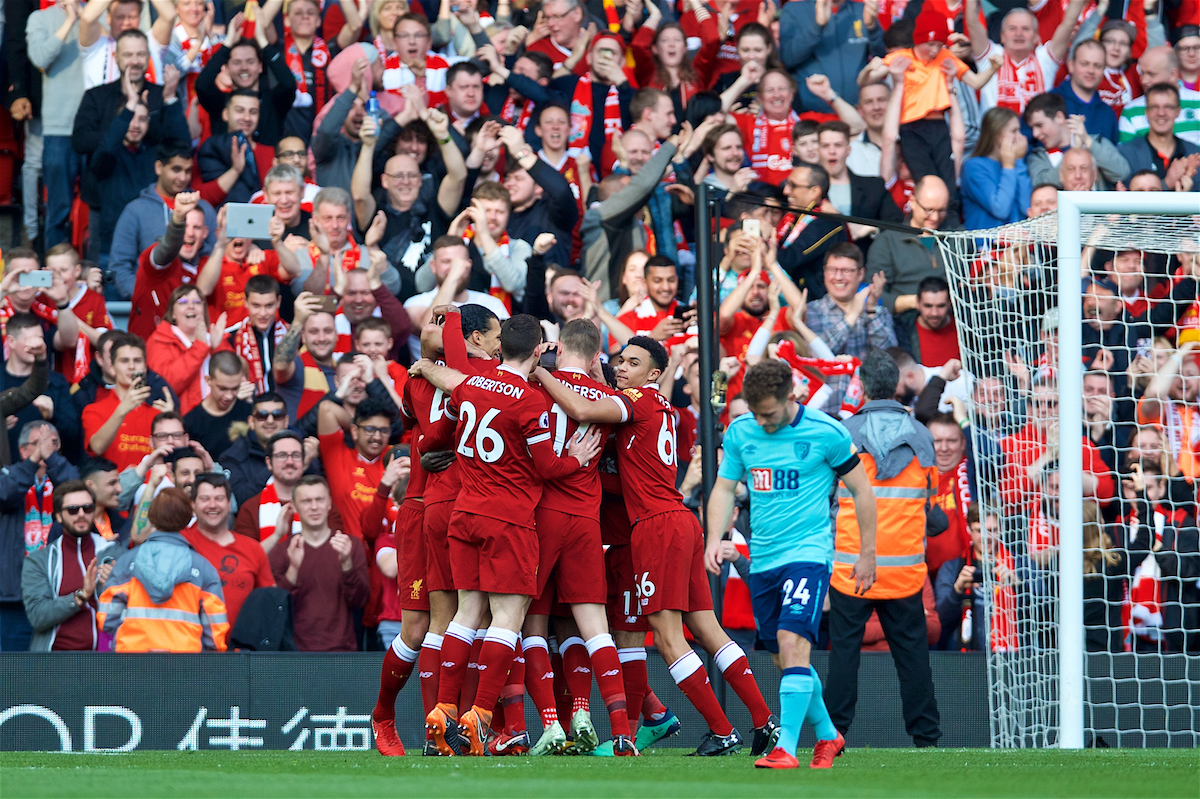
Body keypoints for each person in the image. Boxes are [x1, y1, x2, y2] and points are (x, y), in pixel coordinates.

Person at [535, 335, 778, 758]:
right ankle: (762, 719)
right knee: (706, 628)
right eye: (619, 360)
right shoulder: (661, 407)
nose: (622, 367)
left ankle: (721, 731)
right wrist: (600, 376)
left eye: (633, 362)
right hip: (681, 521)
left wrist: (538, 370)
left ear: (654, 374)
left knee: (667, 639)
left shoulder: (639, 402)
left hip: (655, 527)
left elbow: (582, 408)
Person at [420, 315, 607, 757]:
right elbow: (547, 467)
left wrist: (426, 368)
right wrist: (577, 459)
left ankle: (445, 709)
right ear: (540, 350)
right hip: (509, 520)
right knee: (508, 617)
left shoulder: (468, 385)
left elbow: (438, 432)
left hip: (463, 514)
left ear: (500, 347)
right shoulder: (530, 402)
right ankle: (480, 715)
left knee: (466, 614)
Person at [707, 359, 877, 768]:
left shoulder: (827, 432)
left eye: (769, 413)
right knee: (786, 658)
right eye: (756, 412)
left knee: (791, 642)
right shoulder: (741, 432)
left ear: (790, 398)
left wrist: (867, 552)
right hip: (763, 560)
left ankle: (785, 748)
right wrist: (715, 536)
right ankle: (828, 735)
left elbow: (862, 491)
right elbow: (724, 488)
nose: (763, 422)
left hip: (808, 553)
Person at [824, 349, 942, 747]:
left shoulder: (844, 434)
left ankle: (833, 735)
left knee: (843, 656)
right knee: (914, 662)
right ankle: (926, 739)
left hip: (851, 566)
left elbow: (829, 497)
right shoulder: (922, 436)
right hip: (904, 571)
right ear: (896, 384)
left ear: (862, 385)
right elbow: (930, 505)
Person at [99, 487, 229, 652]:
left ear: (152, 516)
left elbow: (106, 619)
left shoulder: (127, 562)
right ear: (187, 517)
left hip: (132, 660)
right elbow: (215, 628)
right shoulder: (203, 567)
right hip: (185, 663)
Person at [0, 421, 79, 651]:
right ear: (23, 450)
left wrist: (51, 459)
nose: (46, 450)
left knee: (52, 676)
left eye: (52, 444)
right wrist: (34, 461)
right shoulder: (9, 475)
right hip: (13, 600)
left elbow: (77, 491)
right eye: (38, 444)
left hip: (58, 595)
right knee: (12, 674)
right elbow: (5, 493)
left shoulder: (65, 476)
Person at [267, 475, 369, 652]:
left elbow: (360, 601)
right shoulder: (283, 550)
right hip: (293, 654)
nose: (314, 507)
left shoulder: (350, 545)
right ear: (295, 506)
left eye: (319, 500)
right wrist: (293, 570)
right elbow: (274, 611)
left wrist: (346, 564)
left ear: (329, 503)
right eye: (306, 501)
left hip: (342, 651)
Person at [110, 146, 219, 301]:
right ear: (159, 167)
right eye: (176, 169)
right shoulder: (135, 210)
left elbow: (218, 255)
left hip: (197, 307)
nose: (183, 177)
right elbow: (119, 267)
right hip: (149, 308)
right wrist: (149, 299)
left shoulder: (204, 209)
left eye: (188, 171)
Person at [22, 481, 120, 651]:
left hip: (106, 660)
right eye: (73, 510)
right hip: (56, 660)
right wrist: (81, 596)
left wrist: (116, 588)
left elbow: (133, 611)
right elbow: (38, 616)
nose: (81, 514)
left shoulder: (115, 553)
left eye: (88, 508)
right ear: (59, 516)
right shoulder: (39, 561)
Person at [806, 243, 897, 415]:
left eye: (847, 271)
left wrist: (870, 310)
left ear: (861, 274)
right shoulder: (812, 310)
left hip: (867, 409)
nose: (838, 277)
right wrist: (851, 318)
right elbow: (813, 355)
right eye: (833, 270)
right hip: (824, 409)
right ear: (824, 272)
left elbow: (888, 359)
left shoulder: (877, 312)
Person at [183, 473, 274, 629]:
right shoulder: (181, 543)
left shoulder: (252, 548)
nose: (212, 505)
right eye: (205, 499)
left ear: (229, 503)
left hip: (241, 650)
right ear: (193, 504)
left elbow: (269, 600)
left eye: (219, 499)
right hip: (192, 647)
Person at [194, 15, 297, 146]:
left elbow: (289, 84)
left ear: (260, 66)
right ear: (227, 68)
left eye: (250, 62)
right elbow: (202, 85)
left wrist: (263, 41)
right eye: (237, 63)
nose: (244, 68)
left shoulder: (274, 101)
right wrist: (228, 43)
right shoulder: (221, 102)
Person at [81, 336, 173, 472]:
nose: (132, 366)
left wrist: (171, 421)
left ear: (145, 368)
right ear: (112, 368)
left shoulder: (157, 413)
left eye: (137, 360)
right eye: (124, 361)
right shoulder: (94, 410)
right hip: (115, 489)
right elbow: (97, 447)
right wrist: (122, 409)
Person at [779, 0, 885, 115]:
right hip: (813, 115)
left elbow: (882, 59)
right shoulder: (795, 9)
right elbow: (788, 58)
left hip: (858, 113)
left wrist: (872, 28)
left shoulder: (862, 10)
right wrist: (817, 26)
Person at [1, 313, 81, 465]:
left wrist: (52, 416)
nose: (37, 345)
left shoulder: (56, 382)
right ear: (11, 341)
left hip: (46, 476)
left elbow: (73, 437)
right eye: (30, 340)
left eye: (40, 339)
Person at [146, 285, 228, 416]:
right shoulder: (159, 340)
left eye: (197, 302)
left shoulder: (215, 338)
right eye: (183, 302)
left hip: (218, 420)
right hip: (182, 423)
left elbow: (233, 381)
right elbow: (166, 386)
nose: (191, 306)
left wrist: (217, 348)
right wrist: (200, 347)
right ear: (172, 313)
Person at [1023, 92, 1130, 190]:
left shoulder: (1097, 142)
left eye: (1039, 125)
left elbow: (1121, 172)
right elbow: (1042, 185)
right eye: (1032, 128)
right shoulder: (1038, 157)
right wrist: (1075, 149)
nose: (1035, 134)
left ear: (1059, 117)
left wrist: (1087, 140)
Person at [777, 163, 849, 297]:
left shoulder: (827, 223)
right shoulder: (791, 219)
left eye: (793, 186)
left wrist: (763, 238)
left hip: (815, 305)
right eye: (787, 184)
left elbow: (788, 260)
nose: (786, 191)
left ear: (814, 192)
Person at [1119, 83, 1200, 192]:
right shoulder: (1127, 154)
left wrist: (1187, 197)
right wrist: (1166, 183)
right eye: (1154, 107)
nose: (1161, 113)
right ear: (1146, 112)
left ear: (1178, 112)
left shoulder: (1194, 153)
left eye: (1168, 107)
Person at [961, 107, 1033, 229]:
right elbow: (1000, 208)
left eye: (1019, 130)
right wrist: (1009, 167)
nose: (1020, 137)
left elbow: (1027, 207)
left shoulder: (1018, 163)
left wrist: (1019, 162)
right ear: (996, 134)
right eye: (1014, 131)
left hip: (1017, 244)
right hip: (985, 245)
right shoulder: (974, 167)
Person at [223, 393, 295, 505]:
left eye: (277, 415)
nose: (270, 420)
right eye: (262, 415)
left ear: (286, 421)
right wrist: (276, 464)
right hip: (254, 520)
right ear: (251, 422)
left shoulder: (300, 451)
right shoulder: (232, 456)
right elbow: (240, 499)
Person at [1120, 45, 1200, 146]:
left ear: (1173, 75)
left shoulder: (1198, 102)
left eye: (1151, 74)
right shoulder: (1132, 110)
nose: (1144, 81)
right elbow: (1125, 157)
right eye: (1142, 73)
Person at [184, 351, 255, 461]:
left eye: (235, 388)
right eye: (222, 389)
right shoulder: (192, 422)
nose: (229, 396)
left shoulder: (250, 411)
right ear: (208, 380)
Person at [903, 277, 961, 368]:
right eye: (928, 306)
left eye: (941, 306)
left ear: (950, 303)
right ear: (917, 303)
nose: (934, 313)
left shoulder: (964, 327)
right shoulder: (903, 330)